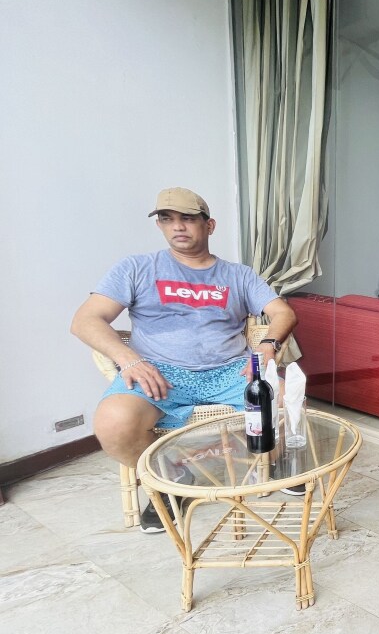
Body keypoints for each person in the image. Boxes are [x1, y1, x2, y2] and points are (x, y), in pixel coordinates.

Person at [71, 187, 297, 533]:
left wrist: (268, 344)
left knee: (288, 398)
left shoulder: (238, 275)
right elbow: (85, 320)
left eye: (188, 218)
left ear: (210, 225)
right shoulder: (136, 268)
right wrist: (128, 359)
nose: (177, 226)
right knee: (113, 423)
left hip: (230, 370)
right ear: (160, 225)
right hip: (159, 373)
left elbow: (283, 312)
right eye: (167, 218)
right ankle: (169, 481)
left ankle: (273, 460)